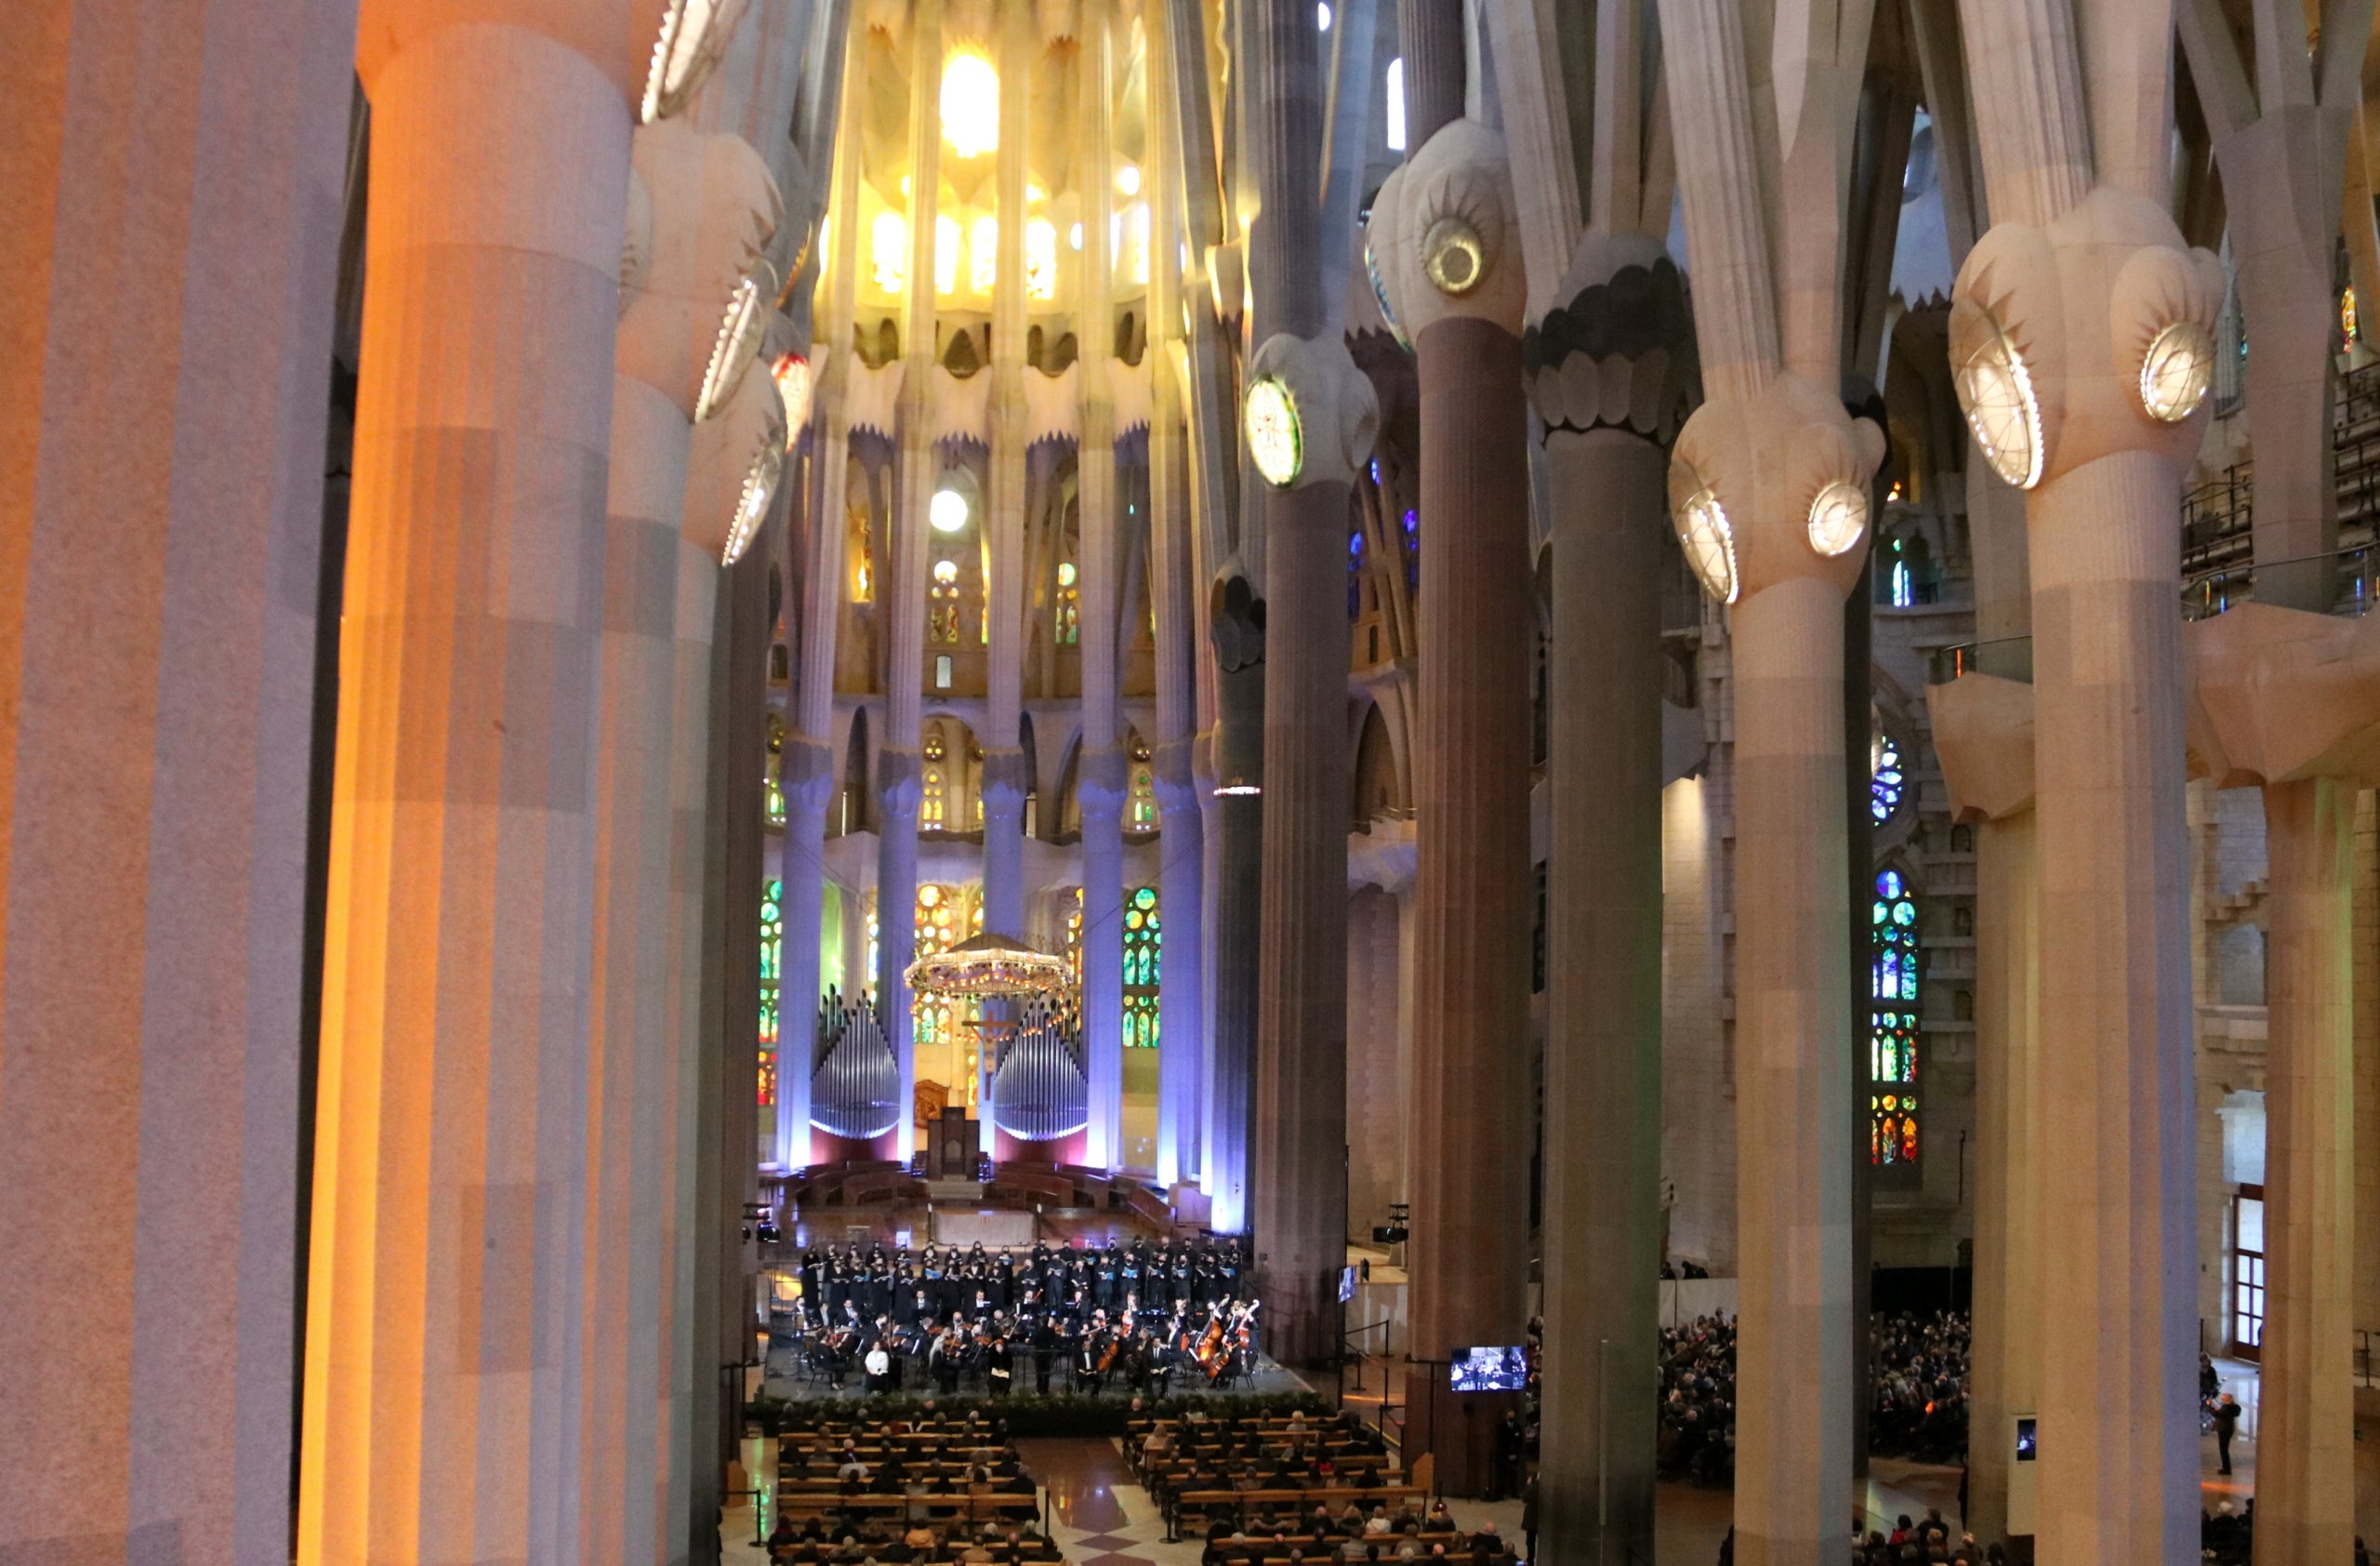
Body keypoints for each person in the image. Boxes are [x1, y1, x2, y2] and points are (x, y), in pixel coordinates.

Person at [2212, 1392, 2241, 1475]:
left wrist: (2209, 1406)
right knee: (2224, 1449)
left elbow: (2216, 1414)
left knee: (2223, 1450)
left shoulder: (2226, 1409)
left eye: (2224, 1399)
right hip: (2227, 1429)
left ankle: (2226, 1469)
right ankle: (2226, 1468)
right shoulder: (2233, 1408)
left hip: (2224, 1430)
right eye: (2222, 1399)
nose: (2222, 1401)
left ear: (2229, 1400)